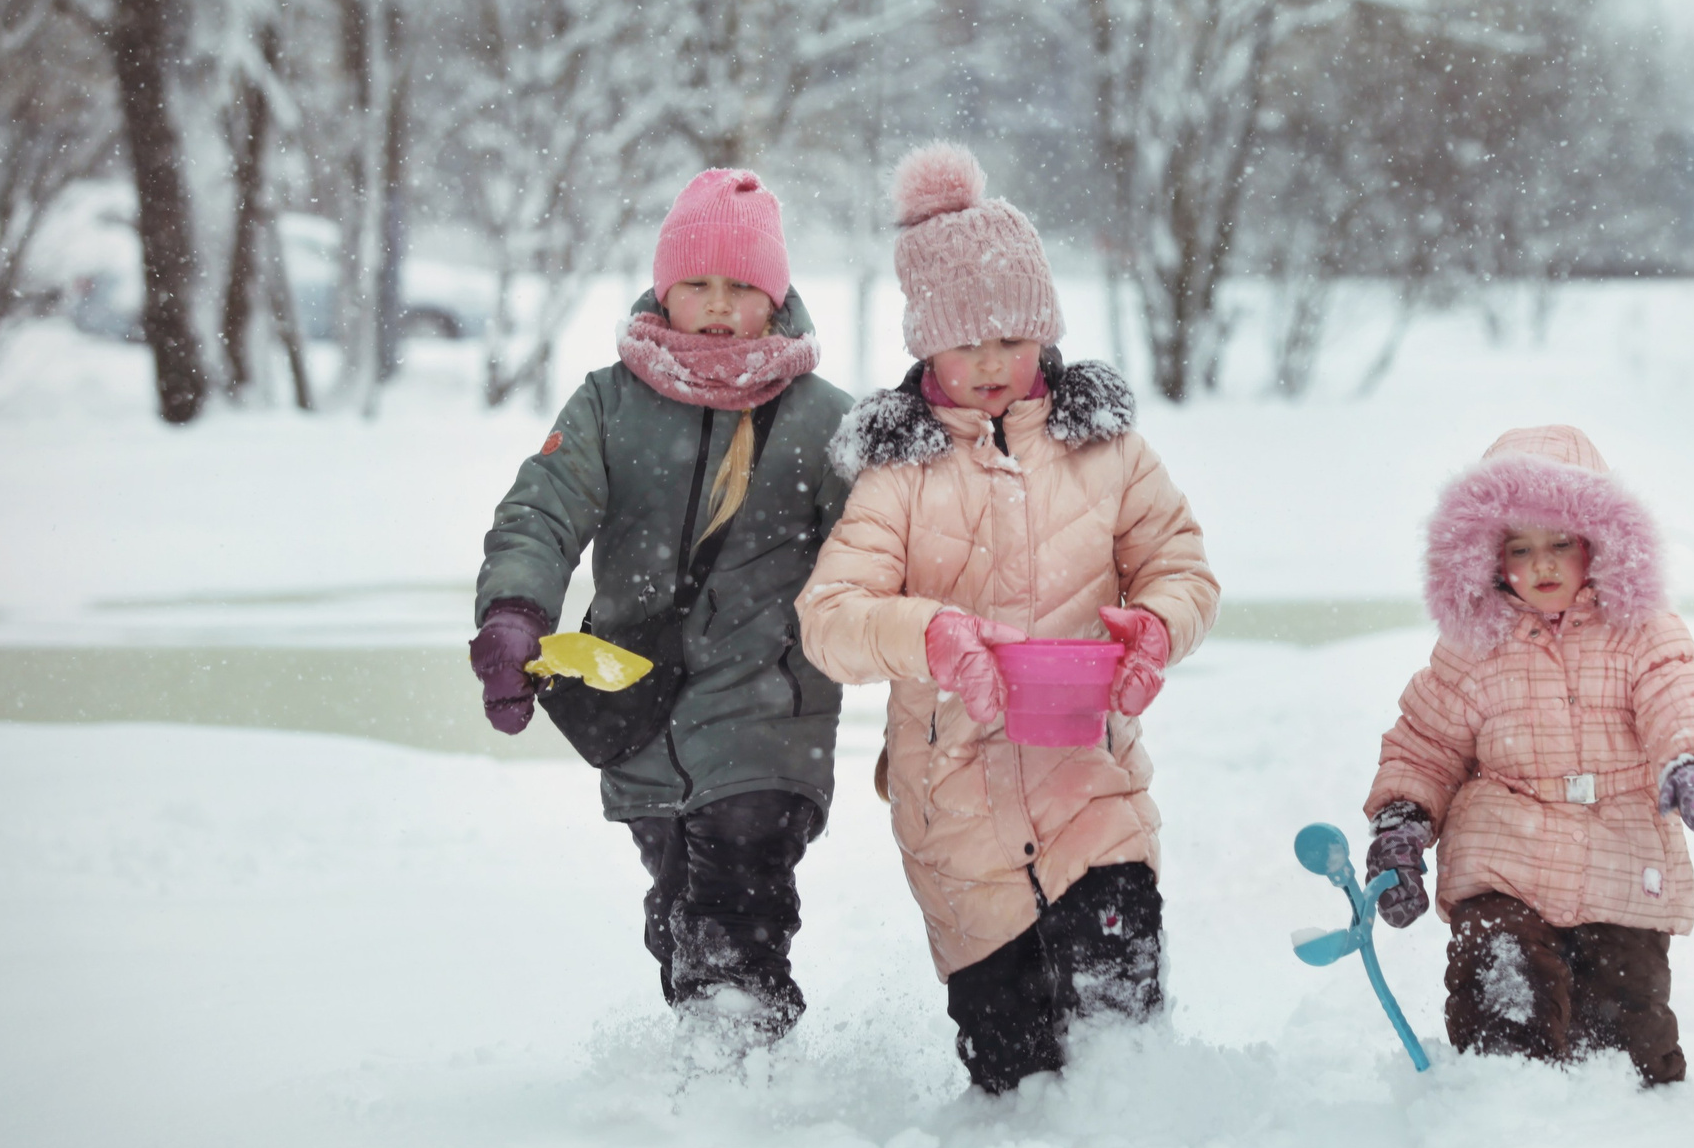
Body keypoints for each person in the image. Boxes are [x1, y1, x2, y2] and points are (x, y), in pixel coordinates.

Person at [795, 143, 1220, 1094]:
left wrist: (1157, 628)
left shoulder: (1105, 450)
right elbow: (830, 617)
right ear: (925, 347)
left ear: (1045, 329)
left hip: (1090, 782)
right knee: (1016, 1075)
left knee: (1123, 1049)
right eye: (963, 341)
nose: (991, 363)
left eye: (1012, 337)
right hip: (955, 810)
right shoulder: (898, 473)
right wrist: (931, 636)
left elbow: (1181, 566)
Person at [468, 168, 852, 1045]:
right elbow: (543, 507)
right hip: (640, 712)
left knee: (739, 893)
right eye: (697, 285)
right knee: (680, 911)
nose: (718, 307)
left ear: (777, 297)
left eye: (743, 288)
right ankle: (719, 1064)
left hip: (770, 718)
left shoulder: (826, 422)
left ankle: (741, 1065)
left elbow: (894, 544)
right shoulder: (611, 404)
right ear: (662, 288)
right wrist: (517, 612)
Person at [1362, 425, 1694, 1086]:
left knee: (1625, 1037)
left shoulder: (1639, 633)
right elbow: (1427, 740)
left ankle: (1626, 1130)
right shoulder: (1473, 645)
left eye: (1560, 543)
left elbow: (1680, 693)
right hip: (1505, 858)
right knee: (1501, 969)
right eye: (1521, 547)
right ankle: (1501, 1085)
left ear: (1598, 543)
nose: (1542, 564)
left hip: (1622, 861)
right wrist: (1403, 822)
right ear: (1488, 555)